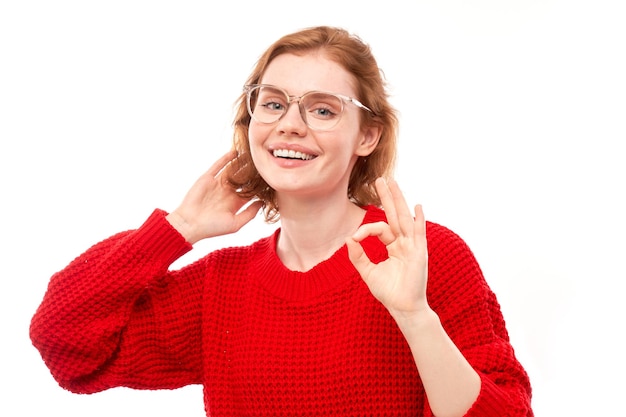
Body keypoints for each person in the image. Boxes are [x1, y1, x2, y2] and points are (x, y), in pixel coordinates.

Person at [30, 26, 533, 417]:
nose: (290, 124)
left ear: (367, 136)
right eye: (272, 104)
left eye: (322, 110)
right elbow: (65, 342)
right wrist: (177, 228)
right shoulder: (220, 286)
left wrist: (416, 319)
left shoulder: (422, 255)